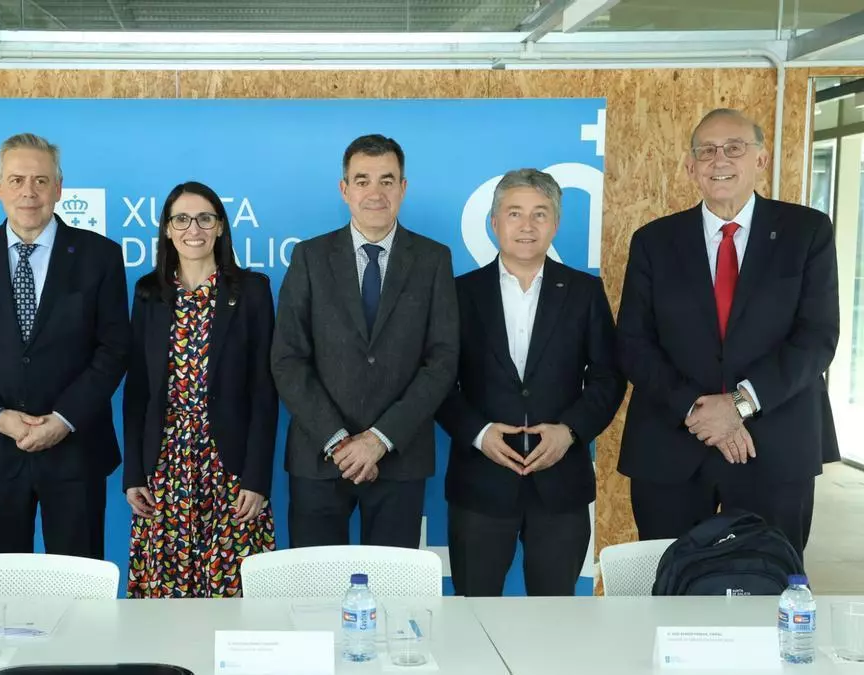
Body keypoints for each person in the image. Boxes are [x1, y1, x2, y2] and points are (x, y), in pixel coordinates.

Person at [617, 109, 839, 556]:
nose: (720, 160)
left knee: (769, 579)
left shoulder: (806, 231)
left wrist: (740, 403)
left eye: (734, 148)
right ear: (691, 166)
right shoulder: (653, 241)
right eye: (707, 151)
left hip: (774, 445)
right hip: (672, 444)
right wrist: (697, 409)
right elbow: (633, 343)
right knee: (670, 582)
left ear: (760, 160)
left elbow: (817, 337)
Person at [0, 133, 130, 558]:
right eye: (17, 179)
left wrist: (64, 419)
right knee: (0, 586)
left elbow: (114, 349)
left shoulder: (100, 256)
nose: (29, 192)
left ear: (59, 188)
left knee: (80, 584)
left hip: (76, 450)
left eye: (41, 181)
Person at [435, 168, 625, 596]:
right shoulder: (457, 293)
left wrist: (570, 432)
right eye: (514, 213)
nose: (527, 225)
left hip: (560, 484)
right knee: (475, 614)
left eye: (540, 214)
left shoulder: (584, 292)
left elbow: (608, 377)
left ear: (555, 224)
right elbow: (437, 381)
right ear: (494, 222)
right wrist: (479, 433)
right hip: (480, 483)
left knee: (554, 617)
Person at [271, 134, 459, 549]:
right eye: (362, 180)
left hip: (399, 456)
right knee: (316, 584)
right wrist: (339, 441)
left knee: (394, 585)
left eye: (387, 180)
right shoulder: (309, 257)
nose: (375, 192)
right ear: (345, 189)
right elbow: (288, 359)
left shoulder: (433, 260)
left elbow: (442, 361)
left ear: (403, 188)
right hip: (320, 456)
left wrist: (379, 439)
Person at [122, 181, 278, 598]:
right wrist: (134, 472)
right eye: (182, 219)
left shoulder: (252, 292)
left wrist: (257, 479)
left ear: (221, 227)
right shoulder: (148, 294)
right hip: (164, 469)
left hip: (230, 469)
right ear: (167, 229)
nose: (194, 229)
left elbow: (264, 392)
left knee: (234, 595)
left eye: (205, 218)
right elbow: (137, 392)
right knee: (166, 599)